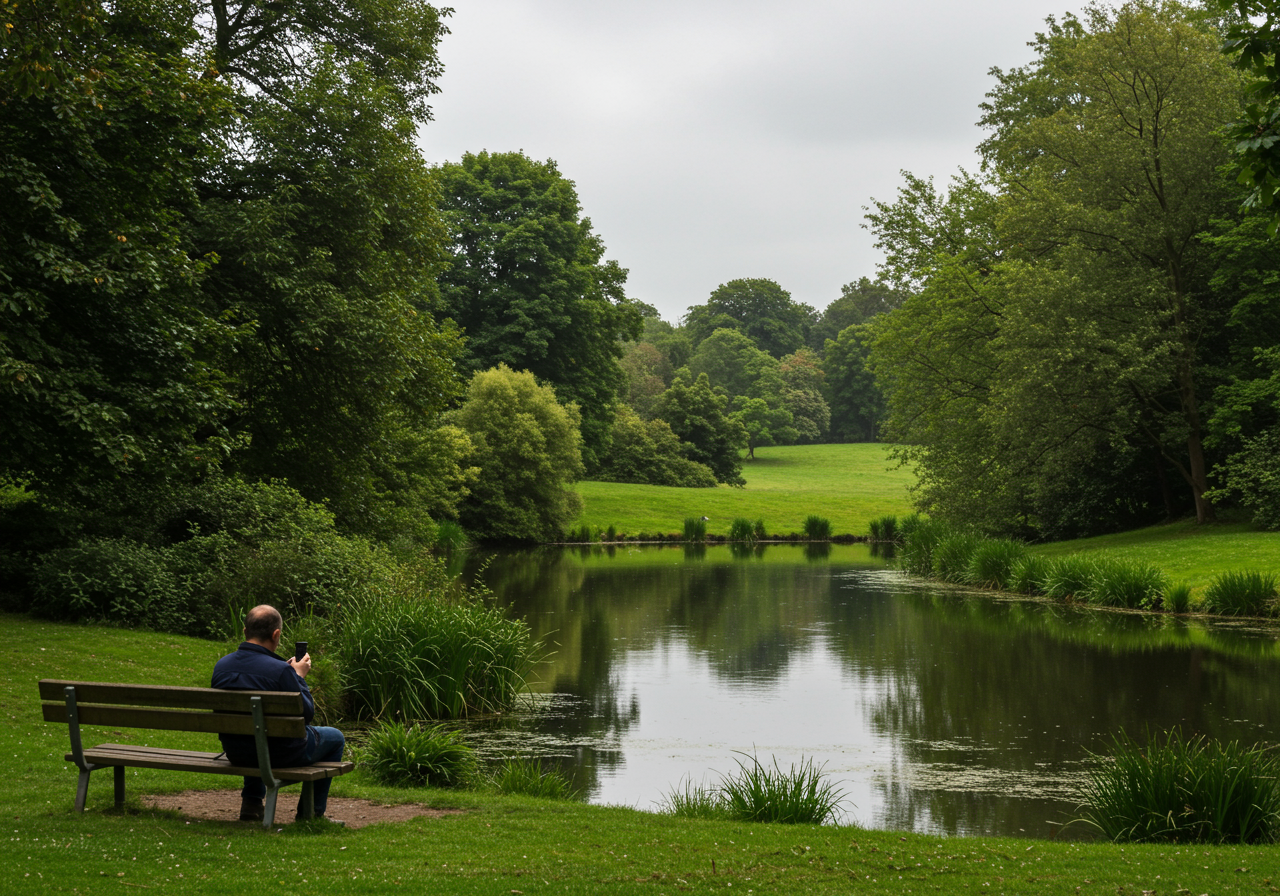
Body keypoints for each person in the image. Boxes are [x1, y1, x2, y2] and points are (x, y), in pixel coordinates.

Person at [211, 604, 345, 823]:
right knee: (336, 737)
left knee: (254, 732)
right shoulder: (281, 671)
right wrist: (299, 677)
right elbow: (307, 714)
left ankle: (252, 803)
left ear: (245, 632)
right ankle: (311, 814)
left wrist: (286, 675)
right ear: (276, 634)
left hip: (236, 751)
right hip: (280, 754)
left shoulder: (222, 666)